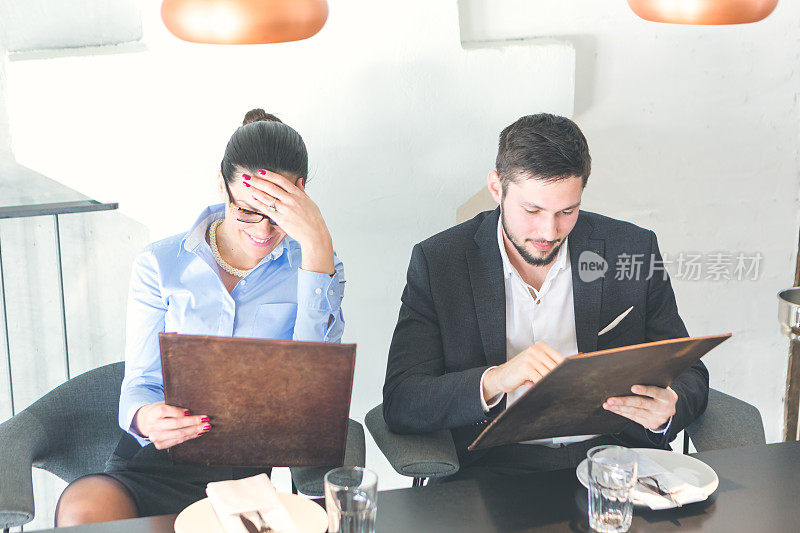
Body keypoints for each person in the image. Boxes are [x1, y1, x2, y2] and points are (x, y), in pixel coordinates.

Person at [54, 109, 345, 525]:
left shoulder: (316, 267)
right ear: (224, 188)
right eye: (246, 210)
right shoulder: (160, 263)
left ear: (301, 195)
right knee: (85, 509)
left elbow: (311, 394)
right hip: (151, 463)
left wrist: (317, 245)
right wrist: (145, 417)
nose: (262, 230)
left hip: (241, 478)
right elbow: (139, 383)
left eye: (277, 214)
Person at [382, 113, 708, 481]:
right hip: (493, 468)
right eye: (531, 210)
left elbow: (690, 371)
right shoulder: (440, 262)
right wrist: (496, 380)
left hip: (613, 457)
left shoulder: (631, 249)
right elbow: (403, 401)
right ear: (496, 188)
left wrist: (669, 408)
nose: (549, 231)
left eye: (567, 211)